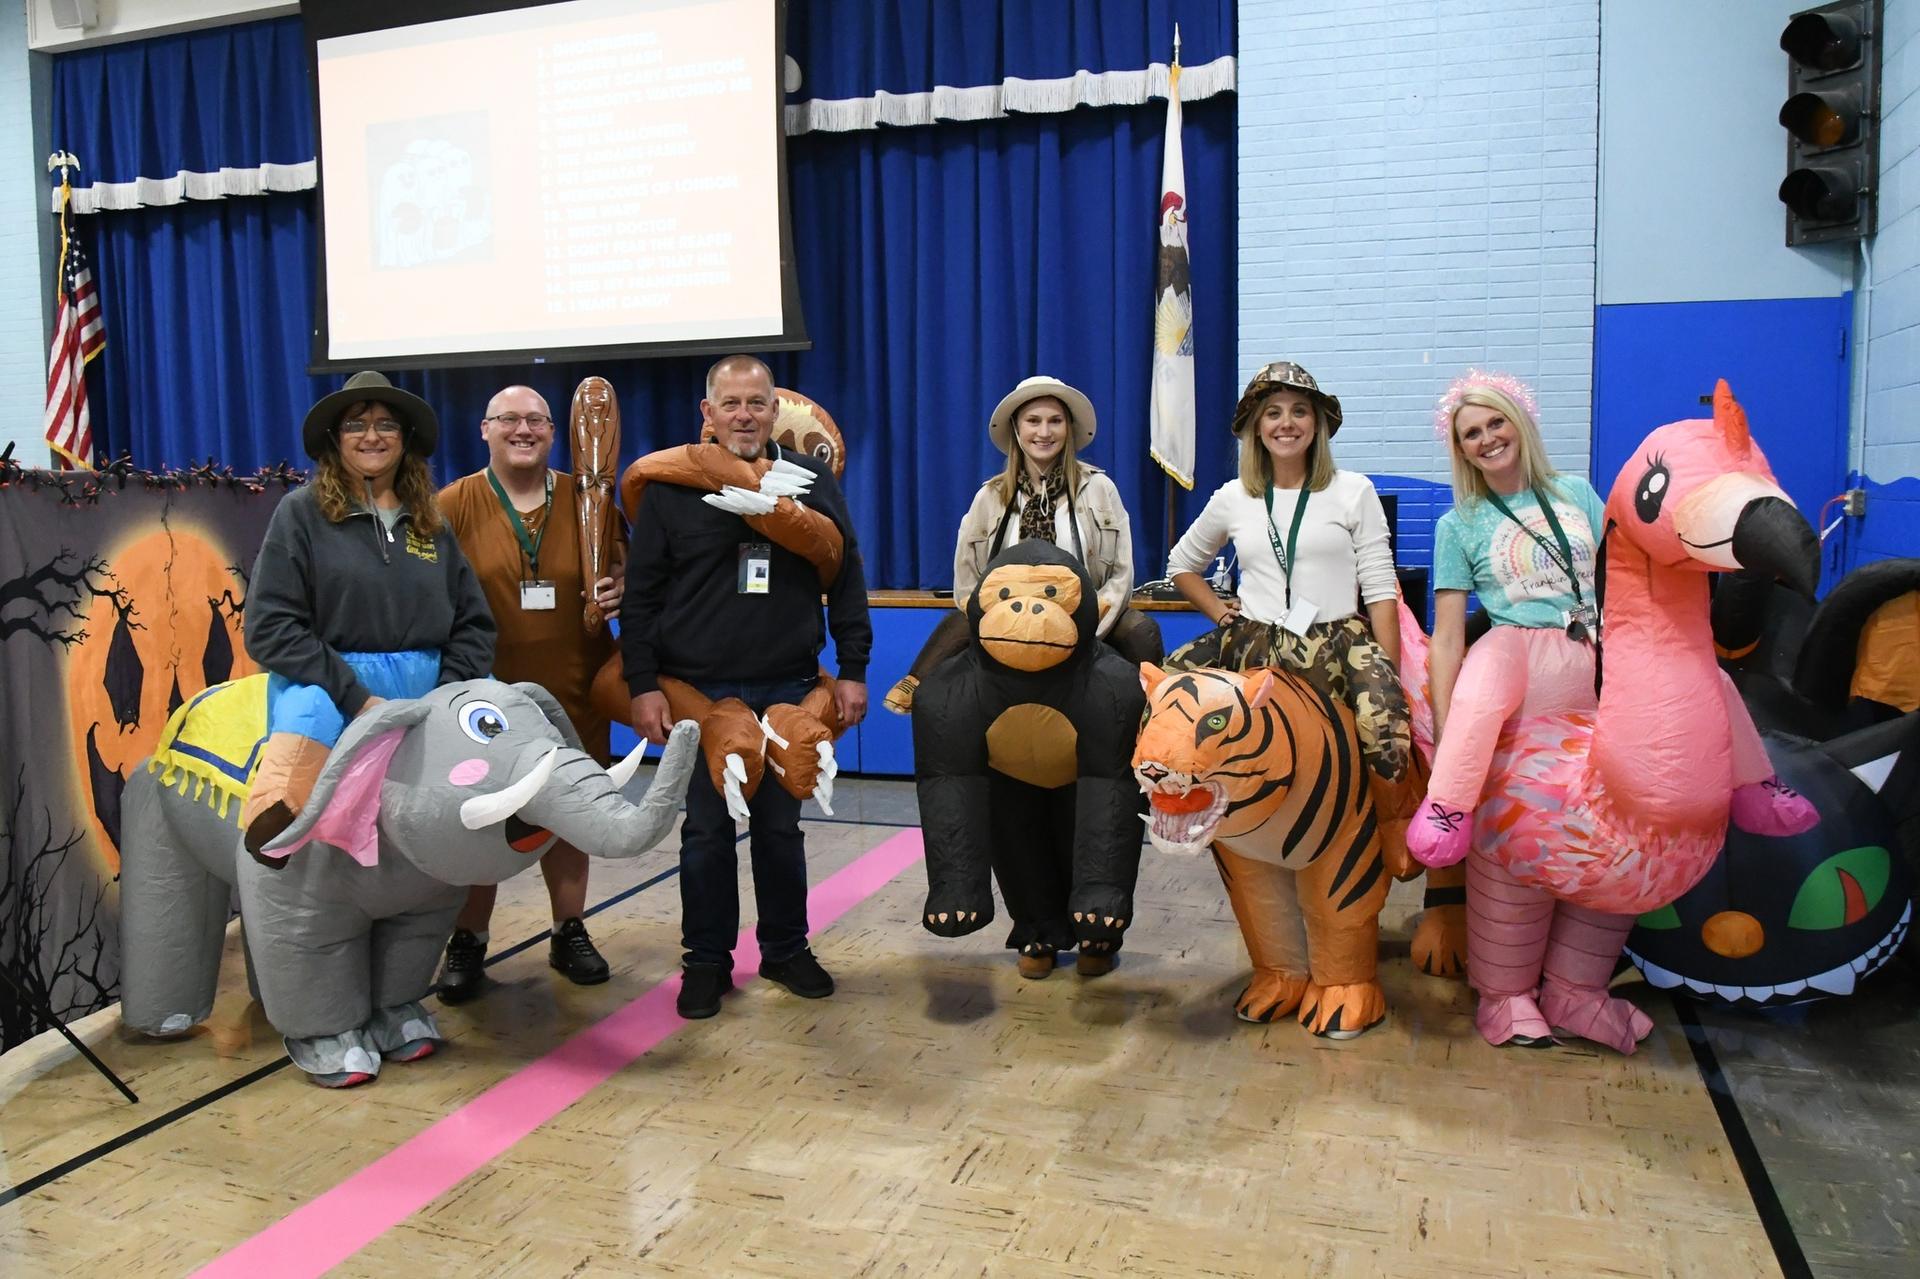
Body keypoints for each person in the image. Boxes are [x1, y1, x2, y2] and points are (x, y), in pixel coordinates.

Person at [243, 370, 495, 1084]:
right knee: (312, 848)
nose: (372, 435)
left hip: (420, 697)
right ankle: (321, 1018)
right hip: (329, 691)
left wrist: (448, 699)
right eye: (357, 424)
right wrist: (354, 696)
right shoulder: (300, 514)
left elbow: (475, 623)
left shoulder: (429, 524)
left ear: (406, 440)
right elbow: (270, 627)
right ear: (335, 439)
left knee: (424, 849)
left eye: (385, 424)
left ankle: (394, 1001)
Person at [621, 354, 873, 1020]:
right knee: (704, 832)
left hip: (789, 686)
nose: (743, 414)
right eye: (729, 403)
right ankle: (705, 962)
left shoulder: (810, 480)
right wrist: (641, 682)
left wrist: (853, 667)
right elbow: (642, 595)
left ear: (774, 409)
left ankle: (786, 950)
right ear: (707, 413)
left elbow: (846, 575)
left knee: (780, 831)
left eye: (756, 402)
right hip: (697, 694)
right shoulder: (672, 489)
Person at [434, 385, 626, 1002]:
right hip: (485, 699)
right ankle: (469, 939)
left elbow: (618, 570)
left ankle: (569, 928)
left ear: (554, 431)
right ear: (484, 430)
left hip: (575, 682)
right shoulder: (452, 504)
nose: (523, 429)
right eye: (509, 419)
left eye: (536, 420)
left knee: (570, 810)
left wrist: (619, 587)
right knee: (481, 817)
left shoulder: (590, 498)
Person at [1162, 362, 1413, 826]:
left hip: (1339, 642)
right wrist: (1219, 614)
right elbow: (1181, 565)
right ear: (1256, 427)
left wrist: (1389, 673)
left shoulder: (1354, 491)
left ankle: (1390, 824)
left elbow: (1380, 588)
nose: (1287, 423)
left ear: (1317, 424)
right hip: (1254, 641)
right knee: (1168, 686)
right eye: (1273, 412)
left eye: (1300, 411)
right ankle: (1190, 812)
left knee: (1386, 731)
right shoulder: (1233, 497)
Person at [1407, 370, 1606, 873]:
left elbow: (1620, 578)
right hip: (1527, 673)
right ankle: (1449, 802)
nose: (1487, 438)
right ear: (1462, 450)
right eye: (1471, 433)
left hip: (1600, 657)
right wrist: (1449, 725)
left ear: (1520, 422)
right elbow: (1449, 637)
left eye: (1496, 422)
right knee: (1536, 809)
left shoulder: (1577, 494)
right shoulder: (1458, 525)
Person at [883, 375, 1161, 716]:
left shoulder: (1100, 490)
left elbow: (1120, 575)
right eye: (1034, 421)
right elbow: (967, 581)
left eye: (1055, 421)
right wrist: (999, 630)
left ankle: (1159, 713)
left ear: (1069, 429)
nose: (1044, 432)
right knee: (955, 625)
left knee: (1140, 629)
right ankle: (914, 686)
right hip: (1007, 620)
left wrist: (1087, 630)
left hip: (1081, 620)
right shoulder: (989, 497)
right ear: (1016, 429)